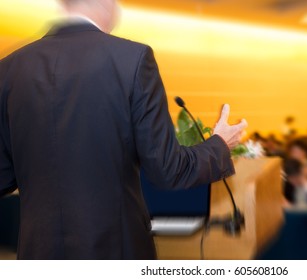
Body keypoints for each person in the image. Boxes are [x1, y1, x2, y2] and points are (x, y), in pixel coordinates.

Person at [0, 0, 247, 260]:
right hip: (115, 251)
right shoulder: (134, 59)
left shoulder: (9, 68)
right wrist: (219, 144)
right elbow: (167, 170)